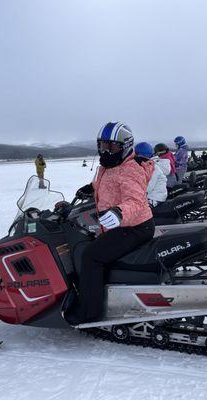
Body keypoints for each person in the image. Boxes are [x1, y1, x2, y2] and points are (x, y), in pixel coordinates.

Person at [69, 122, 155, 324]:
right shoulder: (109, 167)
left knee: (91, 256)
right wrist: (91, 188)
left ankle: (89, 313)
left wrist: (119, 213)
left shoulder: (129, 169)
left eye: (112, 147)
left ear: (125, 146)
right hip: (122, 224)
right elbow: (107, 185)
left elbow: (136, 201)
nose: (106, 151)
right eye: (103, 146)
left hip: (135, 226)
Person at [134, 142, 168, 206]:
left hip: (155, 198)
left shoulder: (153, 168)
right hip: (152, 196)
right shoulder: (147, 165)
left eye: (136, 154)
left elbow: (148, 187)